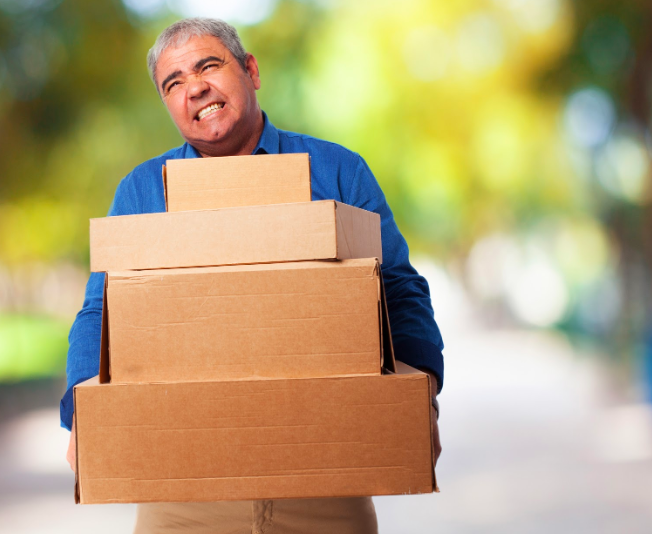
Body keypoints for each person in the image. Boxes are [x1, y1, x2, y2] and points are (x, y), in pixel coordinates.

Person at [61, 17, 444, 534]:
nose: (194, 87)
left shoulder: (334, 172)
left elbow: (397, 288)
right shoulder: (144, 192)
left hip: (324, 481)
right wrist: (85, 410)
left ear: (252, 71)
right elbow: (98, 310)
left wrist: (421, 392)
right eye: (173, 84)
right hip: (182, 492)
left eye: (208, 66)